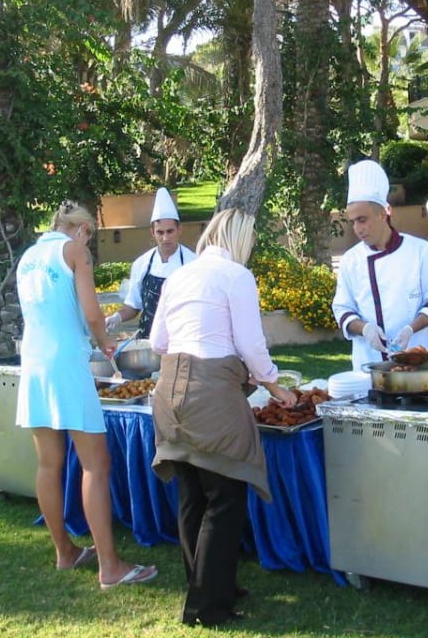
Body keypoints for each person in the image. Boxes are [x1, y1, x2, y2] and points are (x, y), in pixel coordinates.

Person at [148, 207, 297, 627]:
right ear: (240, 241)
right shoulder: (236, 276)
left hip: (169, 392)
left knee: (192, 494)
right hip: (210, 396)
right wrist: (274, 384)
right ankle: (207, 606)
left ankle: (208, 585)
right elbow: (251, 344)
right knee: (224, 499)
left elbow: (158, 341)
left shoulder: (180, 275)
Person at [16, 201, 157, 590]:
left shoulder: (28, 257)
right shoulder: (74, 251)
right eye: (89, 236)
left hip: (34, 362)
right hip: (66, 364)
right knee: (96, 463)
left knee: (48, 464)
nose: (89, 244)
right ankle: (110, 567)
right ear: (81, 230)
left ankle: (65, 552)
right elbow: (93, 313)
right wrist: (104, 342)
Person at [332, 160, 428, 371]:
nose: (357, 229)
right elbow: (342, 309)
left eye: (362, 219)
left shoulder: (421, 251)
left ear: (383, 213)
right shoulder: (350, 260)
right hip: (368, 366)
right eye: (353, 221)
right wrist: (365, 329)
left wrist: (410, 330)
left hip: (419, 365)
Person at [105, 187, 196, 337]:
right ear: (152, 232)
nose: (165, 238)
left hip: (182, 338)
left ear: (179, 229)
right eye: (160, 232)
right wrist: (117, 317)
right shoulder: (141, 264)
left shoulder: (193, 263)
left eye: (170, 231)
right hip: (148, 338)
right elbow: (133, 305)